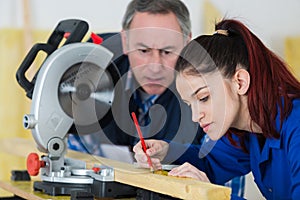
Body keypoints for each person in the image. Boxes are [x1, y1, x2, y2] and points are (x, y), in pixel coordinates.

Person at [67, 0, 245, 198]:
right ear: (125, 42)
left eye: (167, 52)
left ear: (187, 44)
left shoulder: (212, 90)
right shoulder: (92, 80)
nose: (154, 66)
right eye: (143, 51)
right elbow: (74, 157)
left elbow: (225, 183)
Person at [133, 18, 300, 199]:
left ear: (240, 82)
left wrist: (213, 196)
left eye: (203, 98)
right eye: (190, 105)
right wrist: (166, 151)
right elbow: (210, 163)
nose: (196, 116)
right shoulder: (248, 129)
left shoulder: (296, 126)